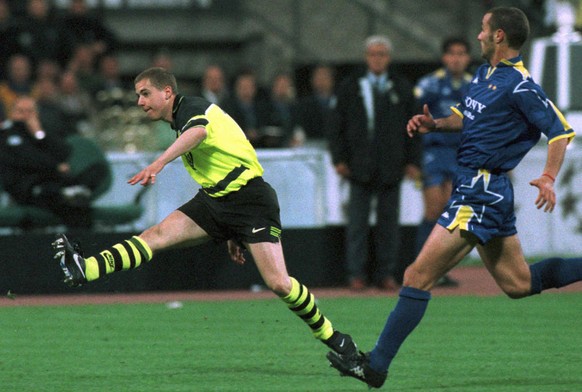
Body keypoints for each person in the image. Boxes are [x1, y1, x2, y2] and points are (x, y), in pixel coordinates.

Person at [327, 7, 581, 389]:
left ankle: (375, 366)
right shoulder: (486, 74)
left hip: (480, 190)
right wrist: (437, 123)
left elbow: (561, 131)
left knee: (416, 275)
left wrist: (547, 176)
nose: (478, 35)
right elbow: (469, 114)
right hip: (482, 189)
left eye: (483, 29)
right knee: (518, 283)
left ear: (498, 37)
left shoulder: (521, 85)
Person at [52, 67, 358, 360]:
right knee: (155, 235)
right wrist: (229, 231)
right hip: (215, 201)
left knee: (279, 283)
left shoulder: (191, 108)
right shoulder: (179, 119)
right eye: (138, 96)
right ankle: (87, 268)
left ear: (167, 92)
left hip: (251, 201)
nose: (140, 102)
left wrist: (158, 164)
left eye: (145, 94)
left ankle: (334, 337)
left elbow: (198, 133)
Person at [328, 35, 421, 291]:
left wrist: (413, 161)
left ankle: (385, 273)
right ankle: (356, 273)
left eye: (382, 54)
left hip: (392, 166)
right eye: (373, 54)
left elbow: (413, 126)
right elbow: (336, 126)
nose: (377, 58)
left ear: (388, 58)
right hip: (359, 166)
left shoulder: (401, 87)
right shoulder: (350, 86)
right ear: (366, 57)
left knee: (388, 226)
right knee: (356, 225)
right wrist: (339, 158)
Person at [413, 37, 474, 288]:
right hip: (433, 153)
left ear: (468, 57)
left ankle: (439, 269)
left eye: (461, 53)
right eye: (452, 53)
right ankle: (420, 267)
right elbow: (413, 118)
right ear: (444, 57)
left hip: (460, 154)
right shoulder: (428, 84)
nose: (457, 58)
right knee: (432, 210)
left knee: (451, 213)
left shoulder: (475, 85)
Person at [0, 96, 106, 228]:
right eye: (21, 111)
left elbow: (64, 152)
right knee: (76, 207)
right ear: (12, 113)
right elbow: (29, 159)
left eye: (30, 111)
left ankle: (73, 192)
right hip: (30, 185)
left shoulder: (42, 131)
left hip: (56, 181)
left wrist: (40, 135)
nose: (26, 116)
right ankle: (74, 194)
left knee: (97, 169)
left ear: (36, 113)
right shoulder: (7, 135)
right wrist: (55, 166)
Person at [296, 64, 337, 143]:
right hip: (311, 145)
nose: (321, 80)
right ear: (312, 80)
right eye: (318, 77)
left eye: (325, 77)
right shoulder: (304, 105)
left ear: (332, 80)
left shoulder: (341, 103)